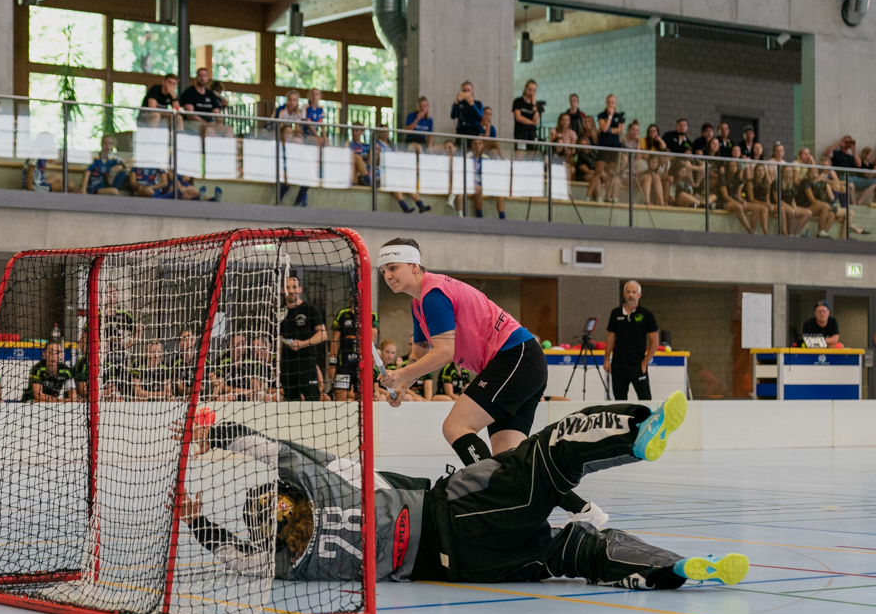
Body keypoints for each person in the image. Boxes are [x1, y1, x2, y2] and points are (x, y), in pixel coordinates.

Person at [178, 399, 749, 589]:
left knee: (573, 554)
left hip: (462, 568)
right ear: (283, 499)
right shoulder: (326, 482)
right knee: (541, 459)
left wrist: (198, 526)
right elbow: (276, 450)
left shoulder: (290, 567)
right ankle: (635, 431)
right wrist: (217, 434)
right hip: (454, 509)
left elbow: (239, 558)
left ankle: (675, 569)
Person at [375, 239, 546, 467]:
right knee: (507, 458)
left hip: (515, 357)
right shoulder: (419, 303)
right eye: (383, 270)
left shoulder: (433, 294)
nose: (387, 276)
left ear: (414, 266)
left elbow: (445, 352)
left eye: (393, 267)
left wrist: (399, 374)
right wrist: (403, 386)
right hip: (524, 361)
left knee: (455, 427)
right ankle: (568, 503)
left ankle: (486, 488)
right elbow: (420, 352)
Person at [604, 280, 659, 401]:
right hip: (618, 364)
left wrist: (645, 362)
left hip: (637, 364)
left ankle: (646, 420)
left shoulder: (647, 315)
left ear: (639, 295)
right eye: (628, 292)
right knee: (619, 399)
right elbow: (610, 337)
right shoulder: (616, 313)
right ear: (624, 294)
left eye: (634, 292)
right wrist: (606, 359)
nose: (631, 295)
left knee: (645, 398)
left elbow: (655, 342)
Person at [280, 274, 326, 401]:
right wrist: (277, 366)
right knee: (290, 402)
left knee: (312, 400)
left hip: (306, 364)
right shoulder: (280, 313)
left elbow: (323, 334)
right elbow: (279, 341)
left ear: (299, 289)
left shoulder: (309, 309)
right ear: (283, 290)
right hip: (288, 366)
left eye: (294, 287)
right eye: (287, 287)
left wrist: (303, 343)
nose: (291, 290)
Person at [329, 305, 379, 402]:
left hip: (362, 363)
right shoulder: (342, 314)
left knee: (362, 400)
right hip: (343, 363)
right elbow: (335, 340)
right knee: (340, 400)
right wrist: (332, 363)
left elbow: (371, 338)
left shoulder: (372, 315)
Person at [591, 95, 623, 204]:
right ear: (606, 103)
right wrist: (609, 117)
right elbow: (604, 128)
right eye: (609, 102)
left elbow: (619, 129)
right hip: (604, 146)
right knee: (599, 170)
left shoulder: (619, 116)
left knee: (611, 172)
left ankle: (608, 196)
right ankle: (590, 195)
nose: (611, 104)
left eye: (613, 102)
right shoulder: (602, 115)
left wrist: (608, 130)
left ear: (615, 103)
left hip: (614, 146)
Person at [511, 79, 540, 156]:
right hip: (521, 133)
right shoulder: (518, 101)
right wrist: (532, 122)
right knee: (519, 154)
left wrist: (533, 104)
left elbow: (536, 119)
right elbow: (518, 117)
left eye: (533, 90)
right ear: (525, 88)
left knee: (531, 156)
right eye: (529, 89)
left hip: (531, 133)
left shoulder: (535, 105)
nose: (531, 92)